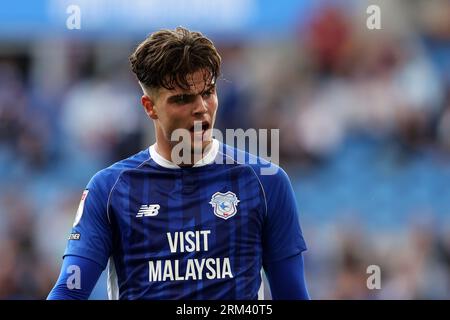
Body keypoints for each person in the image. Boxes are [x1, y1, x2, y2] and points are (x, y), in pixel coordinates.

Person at [47, 27, 309, 300]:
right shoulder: (110, 189)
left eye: (207, 92)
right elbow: (70, 290)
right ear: (150, 107)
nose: (201, 108)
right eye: (182, 99)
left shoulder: (266, 182)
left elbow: (292, 294)